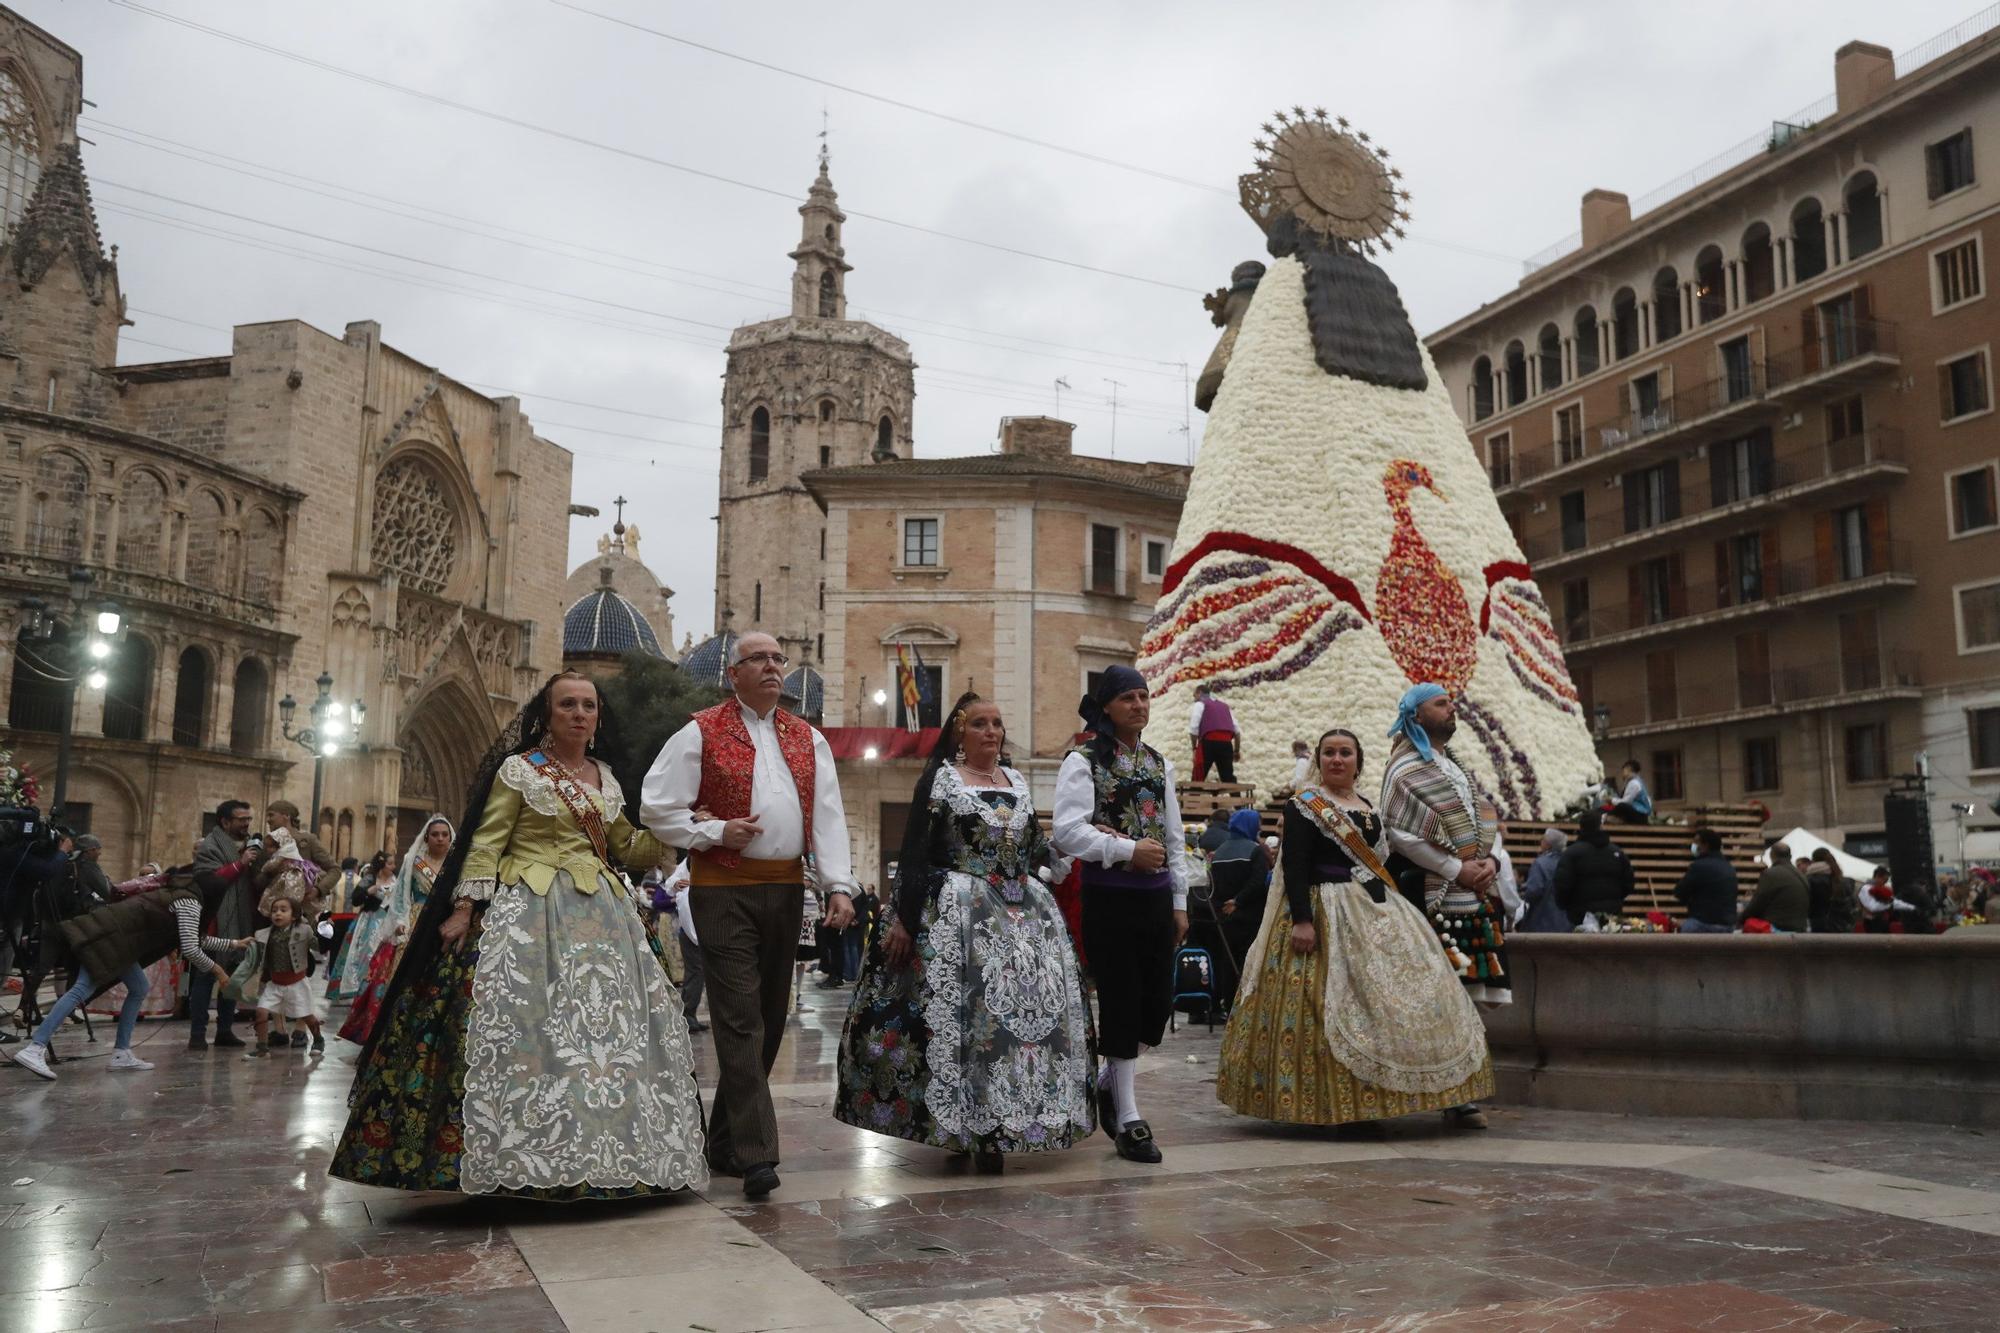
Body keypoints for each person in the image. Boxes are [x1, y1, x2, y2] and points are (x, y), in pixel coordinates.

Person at [331, 671, 704, 1200]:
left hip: (601, 916)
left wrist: (680, 829)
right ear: (547, 715)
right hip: (528, 908)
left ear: (598, 719)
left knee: (604, 1039)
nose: (579, 713)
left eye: (588, 706)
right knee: (529, 1027)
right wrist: (463, 908)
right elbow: (486, 843)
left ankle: (606, 1153)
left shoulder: (606, 777)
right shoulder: (520, 771)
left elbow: (625, 845)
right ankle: (519, 1152)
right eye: (567, 704)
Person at [835, 693, 1095, 1173]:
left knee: (1008, 1031)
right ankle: (959, 1128)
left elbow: (1030, 844)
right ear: (960, 732)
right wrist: (907, 920)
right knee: (963, 1026)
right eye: (980, 723)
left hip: (1022, 919)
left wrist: (1060, 851)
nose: (991, 731)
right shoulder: (941, 782)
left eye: (997, 723)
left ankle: (1001, 1123)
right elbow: (915, 852)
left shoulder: (1016, 781)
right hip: (959, 917)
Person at [641, 632, 856, 1200]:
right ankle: (759, 1156)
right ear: (731, 673)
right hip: (723, 889)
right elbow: (656, 808)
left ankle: (723, 1144)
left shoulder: (808, 739)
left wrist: (839, 886)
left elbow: (829, 817)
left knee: (768, 1014)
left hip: (785, 890)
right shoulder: (700, 731)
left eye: (777, 659)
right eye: (757, 659)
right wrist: (713, 831)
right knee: (738, 1016)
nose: (772, 667)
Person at [1218, 727, 1493, 1129]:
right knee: (1330, 1005)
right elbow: (1293, 866)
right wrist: (1302, 920)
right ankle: (1349, 1103)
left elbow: (1386, 862)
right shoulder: (1305, 805)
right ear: (1318, 759)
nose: (1337, 759)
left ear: (1357, 762)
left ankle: (1452, 1095)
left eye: (1345, 752)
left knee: (1421, 992)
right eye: (1329, 752)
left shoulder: (1369, 805)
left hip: (1376, 908)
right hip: (1322, 909)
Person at [1051, 665, 1190, 1164]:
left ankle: (1110, 1079)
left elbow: (1174, 840)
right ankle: (1129, 1116)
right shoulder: (1083, 760)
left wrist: (1178, 902)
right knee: (1122, 997)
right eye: (1128, 697)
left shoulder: (1159, 764)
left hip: (1154, 899)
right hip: (1109, 897)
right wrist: (1125, 850)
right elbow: (1068, 830)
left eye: (1144, 696)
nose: (1139, 705)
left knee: (1156, 1004)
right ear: (1106, 706)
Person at [9, 866, 248, 1081]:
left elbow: (197, 939)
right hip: (111, 939)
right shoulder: (190, 903)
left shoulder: (183, 896)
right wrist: (218, 971)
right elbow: (191, 948)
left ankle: (121, 1053)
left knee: (139, 987)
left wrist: (234, 944)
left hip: (118, 940)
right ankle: (35, 1047)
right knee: (82, 989)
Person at [1379, 684, 1510, 1013]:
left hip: (1470, 891)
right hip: (1431, 894)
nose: (1452, 708)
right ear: (1417, 716)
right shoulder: (1405, 767)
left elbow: (1485, 819)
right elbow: (1400, 833)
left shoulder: (1454, 766)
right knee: (1436, 1001)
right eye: (1441, 704)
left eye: (1451, 703)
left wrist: (1491, 860)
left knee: (1467, 1002)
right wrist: (1456, 869)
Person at [337, 817, 453, 1046]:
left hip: (447, 920)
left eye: (444, 834)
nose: (440, 838)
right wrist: (400, 920)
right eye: (435, 834)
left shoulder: (457, 862)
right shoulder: (416, 862)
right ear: (427, 837)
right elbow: (401, 895)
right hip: (416, 921)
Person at [188, 800, 257, 1050]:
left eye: (249, 819)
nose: (247, 823)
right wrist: (241, 863)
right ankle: (197, 1033)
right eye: (241, 819)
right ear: (225, 821)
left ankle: (225, 1030)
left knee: (234, 978)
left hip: (240, 921)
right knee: (205, 977)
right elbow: (209, 880)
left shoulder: (249, 845)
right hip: (215, 921)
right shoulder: (211, 845)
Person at [235, 896, 325, 1056]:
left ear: (295, 915)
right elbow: (257, 957)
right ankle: (262, 1048)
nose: (278, 914)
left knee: (306, 1015)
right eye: (275, 910)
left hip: (297, 982)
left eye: (283, 910)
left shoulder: (304, 931)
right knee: (261, 1011)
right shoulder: (263, 934)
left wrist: (325, 932)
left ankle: (318, 1039)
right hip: (274, 983)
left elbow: (318, 946)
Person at [1202, 807, 1271, 1005]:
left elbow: (1212, 884)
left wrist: (1225, 906)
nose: (1259, 828)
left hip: (1225, 917)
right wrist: (1238, 901)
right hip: (1250, 915)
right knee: (1248, 962)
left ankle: (1228, 1004)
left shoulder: (1220, 852)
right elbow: (1258, 881)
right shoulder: (1254, 850)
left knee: (1227, 962)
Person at [329, 853, 397, 1001]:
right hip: (370, 921)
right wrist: (368, 892)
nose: (393, 867)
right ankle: (361, 988)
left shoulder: (395, 879)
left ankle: (379, 988)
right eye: (390, 864)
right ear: (382, 865)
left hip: (388, 922)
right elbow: (355, 899)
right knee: (364, 954)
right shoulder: (369, 879)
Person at [1554, 810, 1636, 931]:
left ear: (1581, 827)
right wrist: (1615, 900)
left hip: (1579, 916)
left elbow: (1562, 885)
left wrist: (1567, 905)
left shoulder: (1571, 854)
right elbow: (1629, 883)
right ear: (1600, 826)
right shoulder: (1617, 853)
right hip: (1611, 917)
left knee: (1580, 949)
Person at [256, 800, 337, 919]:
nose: (268, 819)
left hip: (302, 912)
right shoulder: (267, 843)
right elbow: (258, 877)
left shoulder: (307, 840)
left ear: (286, 816)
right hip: (272, 912)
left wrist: (318, 890)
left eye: (271, 815)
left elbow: (334, 869)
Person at [1675, 828, 1738, 933]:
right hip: (1727, 925)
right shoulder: (1729, 868)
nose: (1694, 846)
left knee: (1683, 938)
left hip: (1703, 923)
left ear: (1705, 845)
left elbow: (1680, 892)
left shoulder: (1698, 866)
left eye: (1696, 842)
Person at [1743, 843, 1810, 932]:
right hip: (1801, 928)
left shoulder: (1770, 874)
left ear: (1772, 855)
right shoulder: (1802, 875)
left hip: (1778, 928)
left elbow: (1757, 903)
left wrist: (1741, 919)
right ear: (1790, 856)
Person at [1515, 828, 1571, 933]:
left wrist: (1523, 895)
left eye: (1543, 839)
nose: (1541, 841)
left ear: (1548, 844)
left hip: (1542, 921)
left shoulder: (1540, 864)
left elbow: (1534, 891)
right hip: (1566, 923)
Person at [1187, 683, 1241, 784]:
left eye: (1194, 695)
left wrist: (1194, 748)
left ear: (1199, 693)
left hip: (1208, 743)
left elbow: (1193, 729)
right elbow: (1237, 732)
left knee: (1198, 776)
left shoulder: (1199, 704)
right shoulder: (1224, 706)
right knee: (1228, 777)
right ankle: (1236, 798)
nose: (1194, 698)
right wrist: (1236, 751)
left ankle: (1192, 799)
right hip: (1226, 745)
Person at [1807, 848, 1857, 935]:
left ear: (1813, 860)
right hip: (1843, 927)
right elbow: (1852, 904)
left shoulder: (1810, 880)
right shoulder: (1844, 880)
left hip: (1819, 927)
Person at [1608, 760, 1652, 824]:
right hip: (1640, 814)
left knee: (1622, 806)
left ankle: (1608, 818)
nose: (1622, 772)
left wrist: (1611, 800)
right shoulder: (1635, 781)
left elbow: (1626, 802)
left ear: (1628, 769)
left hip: (1640, 815)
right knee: (1618, 806)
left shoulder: (1634, 783)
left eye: (1623, 770)